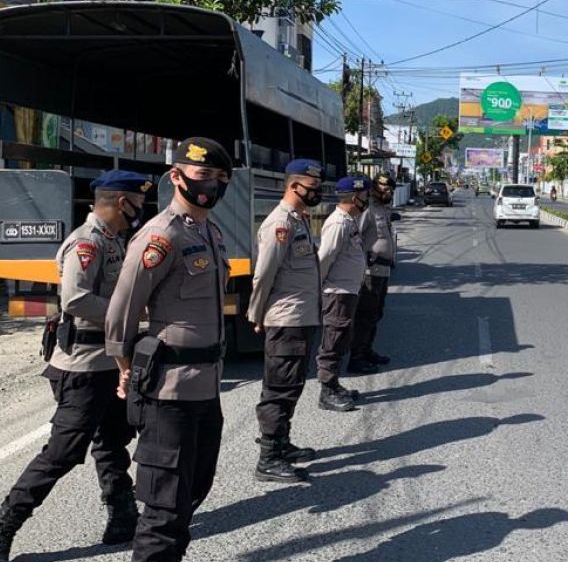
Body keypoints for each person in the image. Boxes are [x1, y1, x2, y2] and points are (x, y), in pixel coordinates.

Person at [0, 171, 151, 562]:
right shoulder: (86, 243)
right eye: (137, 203)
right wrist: (128, 315)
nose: (141, 210)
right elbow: (75, 299)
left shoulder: (113, 241)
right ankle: (0, 527)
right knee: (63, 452)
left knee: (112, 441)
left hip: (109, 362)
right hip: (82, 366)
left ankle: (122, 515)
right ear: (122, 203)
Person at [106, 137, 231, 561]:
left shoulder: (210, 231)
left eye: (219, 177)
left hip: (206, 388)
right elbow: (122, 309)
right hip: (169, 393)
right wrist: (124, 365)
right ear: (176, 177)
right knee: (163, 511)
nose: (212, 184)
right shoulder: (160, 235)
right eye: (203, 175)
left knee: (194, 490)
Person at [245, 158, 325, 483]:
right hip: (286, 318)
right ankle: (269, 458)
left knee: (292, 385)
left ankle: (282, 443)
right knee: (279, 388)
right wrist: (256, 312)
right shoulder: (280, 223)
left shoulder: (298, 220)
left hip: (300, 317)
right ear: (294, 186)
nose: (316, 193)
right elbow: (263, 274)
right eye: (312, 188)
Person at [316, 175, 370, 411]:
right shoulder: (338, 223)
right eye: (365, 197)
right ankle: (327, 391)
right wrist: (318, 288)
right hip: (337, 292)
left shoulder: (349, 221)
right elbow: (324, 258)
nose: (367, 201)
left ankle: (334, 384)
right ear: (355, 197)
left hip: (347, 291)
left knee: (341, 339)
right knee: (333, 340)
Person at [349, 172, 396, 375]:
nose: (387, 193)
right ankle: (356, 358)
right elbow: (354, 237)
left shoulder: (383, 208)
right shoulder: (367, 209)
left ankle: (367, 351)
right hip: (370, 271)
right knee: (365, 316)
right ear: (374, 189)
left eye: (390, 190)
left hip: (383, 270)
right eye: (383, 189)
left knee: (376, 314)